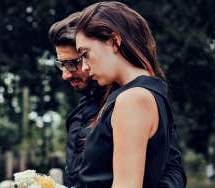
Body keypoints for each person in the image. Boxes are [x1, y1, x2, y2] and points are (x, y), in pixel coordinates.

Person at [74, 2, 186, 188]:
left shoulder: (133, 100)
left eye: (85, 54)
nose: (84, 67)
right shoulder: (149, 93)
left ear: (114, 41)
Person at [48, 12, 108, 188]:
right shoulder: (81, 110)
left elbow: (170, 171)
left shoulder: (128, 103)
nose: (65, 75)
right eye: (62, 64)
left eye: (73, 63)